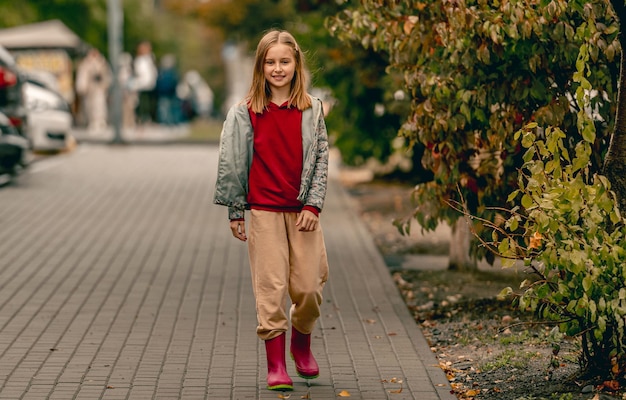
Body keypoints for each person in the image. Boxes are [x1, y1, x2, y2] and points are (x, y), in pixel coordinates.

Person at [213, 29, 330, 392]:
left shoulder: (312, 109)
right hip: (263, 211)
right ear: (260, 66)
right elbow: (231, 162)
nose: (278, 68)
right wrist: (236, 210)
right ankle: (276, 364)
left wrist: (313, 204)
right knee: (271, 287)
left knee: (309, 288)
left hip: (303, 213)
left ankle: (301, 341)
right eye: (270, 62)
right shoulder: (245, 112)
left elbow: (321, 159)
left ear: (296, 64)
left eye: (284, 61)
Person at [75, 48, 112, 131]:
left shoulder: (102, 62)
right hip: (90, 87)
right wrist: (82, 87)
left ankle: (101, 121)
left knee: (100, 105)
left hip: (99, 87)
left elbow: (106, 75)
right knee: (89, 106)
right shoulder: (86, 63)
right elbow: (82, 75)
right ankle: (92, 122)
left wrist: (105, 84)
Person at [127, 41, 157, 125]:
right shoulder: (140, 60)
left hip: (149, 84)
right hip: (142, 84)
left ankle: (146, 117)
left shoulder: (150, 58)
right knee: (142, 102)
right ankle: (141, 118)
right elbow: (139, 72)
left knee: (148, 102)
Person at [155, 54, 179, 125]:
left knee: (167, 108)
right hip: (165, 93)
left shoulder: (168, 72)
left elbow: (174, 83)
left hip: (168, 93)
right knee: (165, 108)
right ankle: (166, 121)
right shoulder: (164, 72)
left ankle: (169, 122)